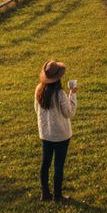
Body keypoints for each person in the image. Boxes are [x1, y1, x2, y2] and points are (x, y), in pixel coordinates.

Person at [34, 59, 77, 202]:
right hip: (60, 135)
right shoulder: (60, 94)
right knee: (58, 164)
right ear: (59, 77)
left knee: (45, 163)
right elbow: (69, 113)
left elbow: (36, 109)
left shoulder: (39, 89)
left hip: (45, 133)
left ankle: (45, 193)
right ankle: (58, 196)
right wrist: (72, 94)